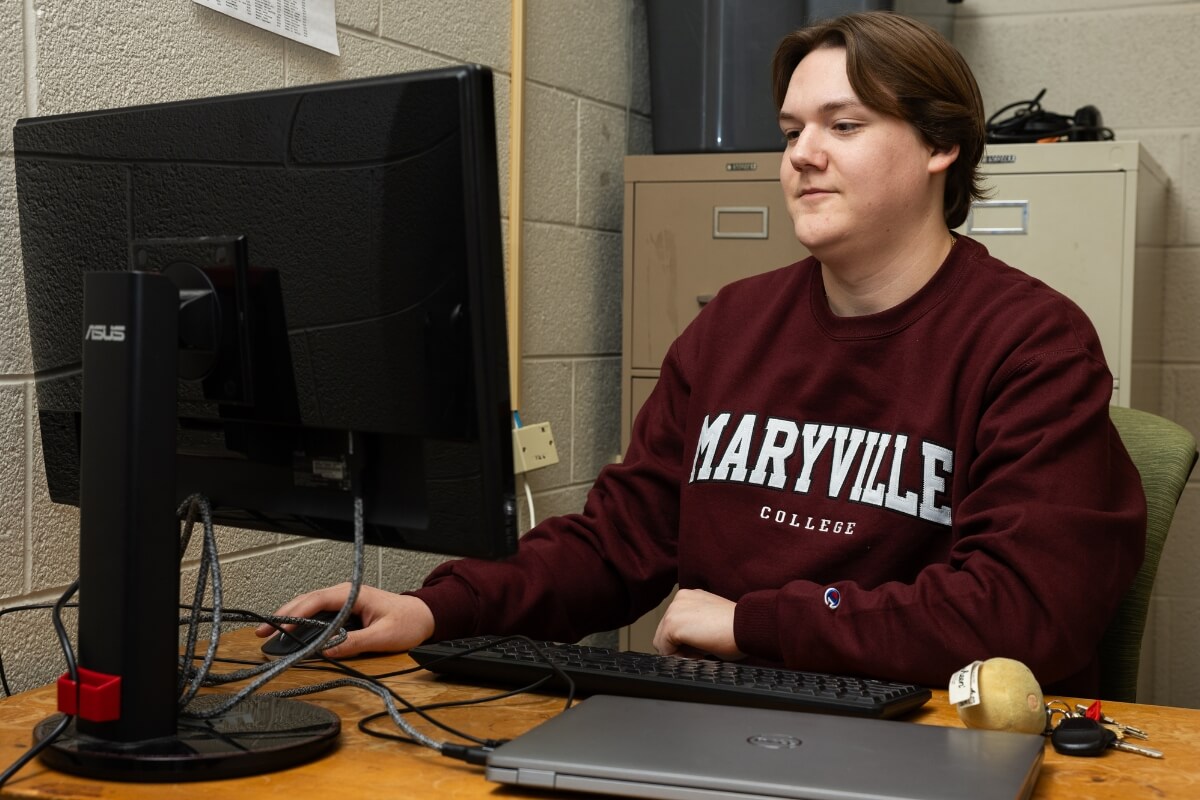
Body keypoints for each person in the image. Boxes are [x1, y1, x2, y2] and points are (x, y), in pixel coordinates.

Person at [259, 11, 1145, 696]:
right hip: (726, 711)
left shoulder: (1033, 343)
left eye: (842, 125)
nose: (800, 155)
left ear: (941, 147)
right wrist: (437, 607)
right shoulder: (731, 326)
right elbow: (619, 541)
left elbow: (1023, 611)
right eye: (791, 129)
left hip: (925, 731)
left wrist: (753, 624)